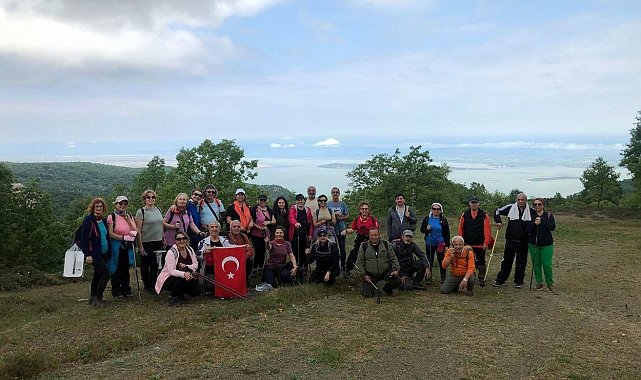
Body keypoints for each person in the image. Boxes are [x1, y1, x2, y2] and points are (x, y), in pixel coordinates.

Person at [492, 192, 534, 288]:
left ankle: (519, 281)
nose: (520, 201)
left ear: (525, 200)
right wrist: (498, 221)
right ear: (516, 200)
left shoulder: (531, 211)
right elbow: (497, 211)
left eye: (522, 199)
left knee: (521, 262)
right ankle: (501, 279)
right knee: (507, 261)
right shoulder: (511, 207)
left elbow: (537, 217)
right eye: (518, 199)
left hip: (524, 240)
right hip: (511, 239)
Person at [155, 231, 201, 306]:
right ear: (175, 241)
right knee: (180, 279)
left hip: (187, 276)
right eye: (179, 239)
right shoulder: (171, 252)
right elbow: (171, 271)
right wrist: (184, 274)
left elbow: (195, 264)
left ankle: (180, 294)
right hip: (168, 278)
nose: (182, 241)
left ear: (187, 239)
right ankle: (173, 298)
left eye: (184, 238)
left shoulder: (190, 249)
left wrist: (187, 267)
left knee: (197, 291)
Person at [79, 198, 111, 307]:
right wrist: (88, 254)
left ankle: (92, 297)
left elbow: (106, 236)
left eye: (101, 207)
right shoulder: (89, 221)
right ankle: (98, 298)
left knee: (97, 275)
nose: (99, 209)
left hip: (104, 252)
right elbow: (84, 239)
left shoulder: (103, 220)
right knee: (106, 274)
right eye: (97, 206)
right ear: (92, 208)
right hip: (94, 253)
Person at [106, 195, 138, 298]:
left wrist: (128, 219)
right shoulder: (112, 217)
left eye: (125, 204)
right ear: (116, 204)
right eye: (120, 204)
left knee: (125, 267)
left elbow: (135, 229)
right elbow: (110, 233)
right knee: (116, 267)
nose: (123, 205)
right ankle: (116, 290)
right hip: (116, 246)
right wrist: (123, 237)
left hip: (127, 246)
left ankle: (126, 289)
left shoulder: (129, 215)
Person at [457, 196, 492, 287]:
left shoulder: (484, 215)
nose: (474, 204)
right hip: (467, 244)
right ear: (469, 203)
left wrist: (486, 243)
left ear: (478, 203)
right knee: (467, 261)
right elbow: (460, 229)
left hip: (480, 244)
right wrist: (460, 241)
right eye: (472, 202)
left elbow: (487, 230)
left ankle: (481, 278)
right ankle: (468, 277)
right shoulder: (464, 215)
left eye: (475, 202)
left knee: (481, 261)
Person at [356, 228, 401, 297]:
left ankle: (386, 288)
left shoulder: (386, 244)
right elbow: (359, 262)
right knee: (367, 295)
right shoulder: (364, 246)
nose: (374, 237)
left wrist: (396, 270)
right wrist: (364, 274)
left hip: (385, 272)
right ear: (369, 236)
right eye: (372, 235)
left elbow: (393, 258)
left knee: (397, 280)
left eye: (376, 235)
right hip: (370, 274)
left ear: (379, 235)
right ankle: (371, 288)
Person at [135, 190, 164, 294]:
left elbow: (161, 225)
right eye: (148, 197)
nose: (151, 199)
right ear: (144, 199)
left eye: (153, 197)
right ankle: (147, 285)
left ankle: (153, 284)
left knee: (155, 264)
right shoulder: (141, 212)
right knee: (145, 264)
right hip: (146, 241)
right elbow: (138, 230)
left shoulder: (159, 210)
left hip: (158, 241)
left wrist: (163, 237)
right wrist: (140, 245)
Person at [527, 197, 556, 292]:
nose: (537, 206)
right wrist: (534, 224)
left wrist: (542, 220)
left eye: (539, 204)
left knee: (547, 265)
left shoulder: (548, 215)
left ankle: (550, 283)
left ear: (543, 205)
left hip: (547, 244)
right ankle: (539, 282)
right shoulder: (531, 216)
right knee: (536, 264)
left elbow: (552, 227)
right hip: (533, 244)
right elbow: (527, 229)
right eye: (535, 204)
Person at [345, 201, 379, 277]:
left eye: (366, 209)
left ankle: (375, 270)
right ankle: (348, 269)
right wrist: (346, 231)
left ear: (368, 209)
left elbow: (376, 230)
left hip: (371, 238)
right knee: (354, 253)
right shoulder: (357, 219)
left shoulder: (372, 219)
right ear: (360, 210)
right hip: (360, 239)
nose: (364, 210)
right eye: (362, 208)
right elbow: (352, 229)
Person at [420, 202, 451, 283]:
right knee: (429, 260)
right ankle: (428, 277)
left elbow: (447, 233)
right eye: (434, 209)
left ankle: (443, 277)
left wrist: (447, 245)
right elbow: (422, 230)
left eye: (438, 209)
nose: (436, 210)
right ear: (431, 210)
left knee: (441, 261)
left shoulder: (443, 220)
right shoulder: (427, 219)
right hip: (429, 243)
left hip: (441, 244)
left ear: (441, 210)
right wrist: (426, 229)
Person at [249, 194, 275, 277]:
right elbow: (252, 221)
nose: (262, 202)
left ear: (266, 201)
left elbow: (274, 221)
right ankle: (254, 268)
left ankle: (261, 268)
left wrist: (268, 222)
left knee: (263, 251)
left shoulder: (270, 211)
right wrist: (259, 227)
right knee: (258, 251)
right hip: (256, 234)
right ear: (258, 201)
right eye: (261, 200)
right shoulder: (254, 210)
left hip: (266, 234)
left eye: (264, 200)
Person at [289, 193, 313, 282]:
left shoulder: (308, 210)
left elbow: (310, 223)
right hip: (296, 233)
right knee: (295, 250)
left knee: (304, 251)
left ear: (304, 200)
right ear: (296, 201)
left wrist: (310, 234)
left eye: (301, 199)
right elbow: (291, 217)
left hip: (305, 233)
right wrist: (295, 223)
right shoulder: (293, 208)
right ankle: (295, 267)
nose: (300, 201)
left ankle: (304, 267)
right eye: (298, 200)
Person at [327, 187, 349, 274]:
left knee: (342, 249)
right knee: (334, 250)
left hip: (341, 230)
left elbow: (347, 215)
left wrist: (341, 217)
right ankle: (335, 267)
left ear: (339, 194)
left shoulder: (343, 204)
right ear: (331, 194)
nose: (335, 193)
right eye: (333, 192)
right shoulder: (328, 204)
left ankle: (343, 266)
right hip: (332, 231)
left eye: (337, 192)